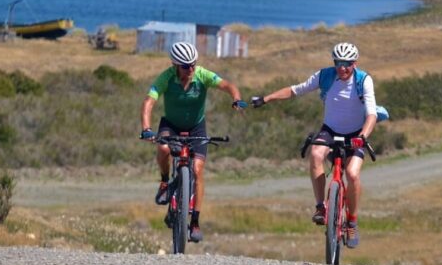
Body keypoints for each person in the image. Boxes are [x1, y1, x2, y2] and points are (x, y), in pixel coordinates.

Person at [251, 42, 377, 249]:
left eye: (347, 63)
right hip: (330, 130)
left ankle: (352, 222)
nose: (342, 68)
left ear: (355, 63)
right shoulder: (325, 76)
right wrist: (265, 99)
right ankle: (321, 207)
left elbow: (371, 114)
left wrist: (362, 136)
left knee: (352, 174)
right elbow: (295, 90)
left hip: (356, 134)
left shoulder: (363, 80)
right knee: (316, 154)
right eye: (338, 63)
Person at [139, 41, 243, 243]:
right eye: (186, 66)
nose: (191, 69)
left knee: (197, 169)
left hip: (196, 126)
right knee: (163, 147)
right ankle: (164, 183)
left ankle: (194, 221)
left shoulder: (202, 75)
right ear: (176, 65)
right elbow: (148, 102)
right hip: (170, 124)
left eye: (194, 64)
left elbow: (227, 85)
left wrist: (236, 99)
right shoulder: (166, 78)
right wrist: (146, 129)